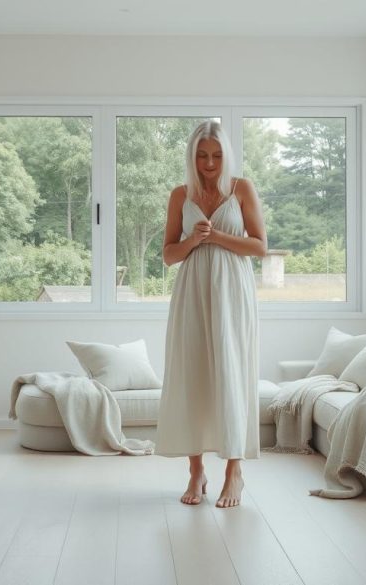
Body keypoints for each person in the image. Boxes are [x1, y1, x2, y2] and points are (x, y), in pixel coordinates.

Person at [155, 121, 267, 508]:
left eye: (216, 156)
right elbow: (168, 255)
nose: (209, 163)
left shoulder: (242, 189)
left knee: (231, 372)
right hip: (192, 292)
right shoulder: (180, 195)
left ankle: (234, 472)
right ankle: (196, 471)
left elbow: (260, 247)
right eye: (202, 156)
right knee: (193, 374)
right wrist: (192, 240)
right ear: (192, 156)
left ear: (226, 155)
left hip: (233, 292)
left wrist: (216, 236)